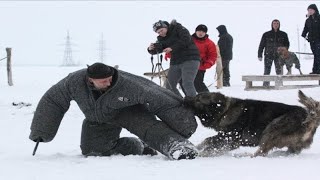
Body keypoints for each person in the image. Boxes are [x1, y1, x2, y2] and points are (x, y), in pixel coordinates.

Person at [29, 62, 199, 160]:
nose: (109, 83)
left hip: (129, 111)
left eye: (110, 79)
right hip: (97, 118)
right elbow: (53, 100)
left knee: (149, 128)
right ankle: (139, 146)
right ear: (90, 80)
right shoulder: (73, 82)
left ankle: (179, 147)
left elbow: (160, 98)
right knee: (93, 151)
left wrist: (183, 123)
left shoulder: (128, 84)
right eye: (104, 81)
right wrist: (41, 131)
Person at [148, 20, 200, 97]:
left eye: (161, 30)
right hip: (175, 62)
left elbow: (186, 39)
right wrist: (151, 49)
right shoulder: (161, 39)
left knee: (187, 83)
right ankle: (179, 104)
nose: (160, 33)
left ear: (166, 27)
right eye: (158, 32)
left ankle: (194, 105)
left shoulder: (178, 28)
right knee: (169, 85)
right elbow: (159, 49)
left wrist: (172, 48)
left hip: (190, 58)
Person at [258, 19, 290, 86]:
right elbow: (261, 45)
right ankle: (265, 85)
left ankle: (279, 85)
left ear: (279, 25)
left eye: (277, 23)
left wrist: (284, 52)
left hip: (279, 56)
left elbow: (287, 45)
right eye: (274, 23)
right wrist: (259, 54)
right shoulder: (266, 34)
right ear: (272, 25)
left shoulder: (283, 34)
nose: (276, 25)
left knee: (279, 71)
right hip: (268, 55)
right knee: (267, 71)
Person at [301, 4, 320, 74]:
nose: (309, 11)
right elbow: (305, 29)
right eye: (308, 10)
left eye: (311, 10)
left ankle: (318, 70)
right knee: (316, 54)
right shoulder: (308, 20)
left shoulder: (319, 18)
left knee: (318, 54)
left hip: (318, 39)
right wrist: (304, 35)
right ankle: (315, 70)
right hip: (312, 40)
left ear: (315, 10)